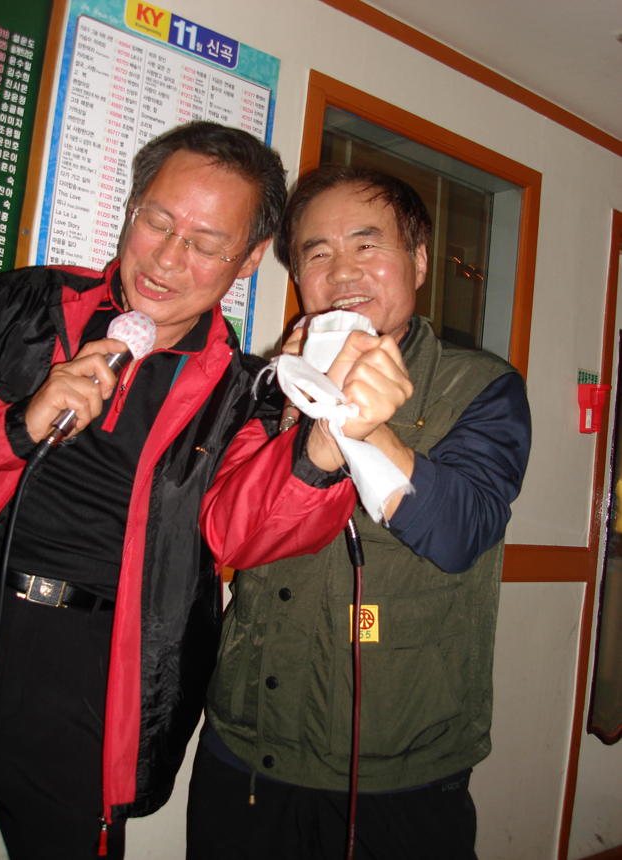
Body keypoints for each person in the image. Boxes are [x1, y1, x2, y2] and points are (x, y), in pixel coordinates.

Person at [187, 165, 532, 859]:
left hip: (397, 769)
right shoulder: (265, 386)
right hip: (248, 745)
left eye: (367, 245)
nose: (341, 271)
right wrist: (295, 403)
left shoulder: (481, 386)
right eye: (316, 253)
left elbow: (460, 532)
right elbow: (229, 536)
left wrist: (371, 430)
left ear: (419, 261)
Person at [0, 121, 289, 859]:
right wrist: (17, 426)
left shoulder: (245, 395)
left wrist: (321, 449)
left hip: (89, 666)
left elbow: (250, 530)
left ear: (248, 259)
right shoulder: (23, 303)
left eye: (207, 243)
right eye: (158, 220)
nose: (168, 258)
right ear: (131, 206)